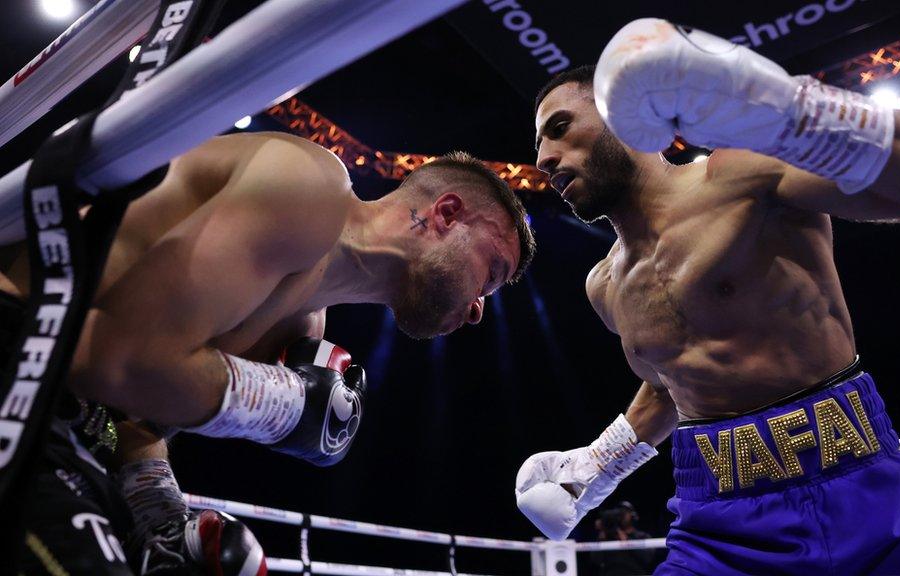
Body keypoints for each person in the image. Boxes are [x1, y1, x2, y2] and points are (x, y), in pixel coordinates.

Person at [516, 18, 900, 575]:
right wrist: (595, 468)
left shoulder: (742, 175)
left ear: (621, 114)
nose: (545, 159)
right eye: (539, 145)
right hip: (721, 527)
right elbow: (672, 381)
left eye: (559, 127)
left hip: (865, 489)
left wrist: (793, 109)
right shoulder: (604, 285)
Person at [1, 131, 535, 573]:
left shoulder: (301, 325)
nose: (478, 311)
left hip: (58, 412)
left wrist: (156, 510)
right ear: (445, 213)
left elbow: (129, 418)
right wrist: (279, 405)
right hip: (15, 340)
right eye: (492, 274)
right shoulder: (308, 186)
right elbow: (117, 361)